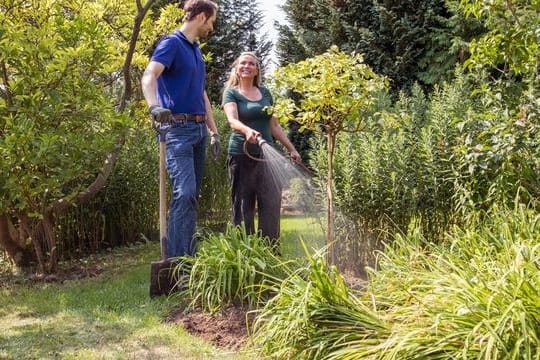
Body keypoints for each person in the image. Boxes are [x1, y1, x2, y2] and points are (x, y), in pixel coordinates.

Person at [141, 0, 220, 259]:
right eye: (211, 21)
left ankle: (188, 259)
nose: (212, 26)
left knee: (190, 198)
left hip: (197, 130)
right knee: (184, 194)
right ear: (200, 16)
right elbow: (149, 75)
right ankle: (176, 262)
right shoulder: (172, 43)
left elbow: (202, 94)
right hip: (176, 130)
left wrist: (213, 130)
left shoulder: (195, 50)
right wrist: (154, 107)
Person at [222, 51, 301, 247]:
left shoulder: (265, 93)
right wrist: (247, 131)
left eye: (251, 64)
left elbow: (274, 126)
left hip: (267, 159)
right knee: (243, 207)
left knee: (271, 205)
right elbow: (232, 121)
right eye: (243, 64)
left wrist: (291, 148)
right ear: (237, 69)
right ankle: (245, 253)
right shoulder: (231, 93)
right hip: (241, 156)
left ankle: (270, 253)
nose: (247, 66)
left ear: (257, 69)